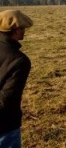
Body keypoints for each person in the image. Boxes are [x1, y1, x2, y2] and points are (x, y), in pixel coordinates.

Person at [0, 10, 33, 148]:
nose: (24, 31)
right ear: (17, 30)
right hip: (5, 124)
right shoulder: (20, 61)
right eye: (23, 28)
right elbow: (7, 99)